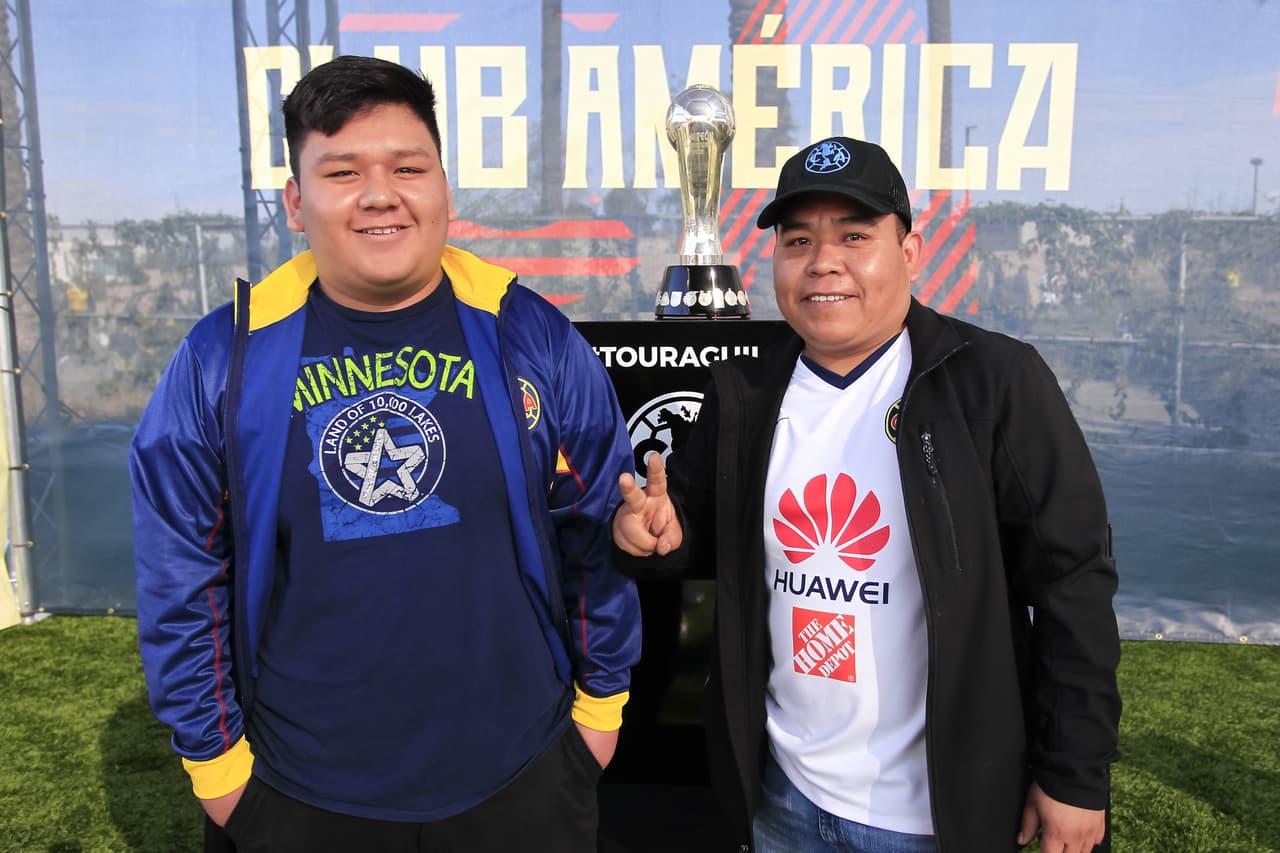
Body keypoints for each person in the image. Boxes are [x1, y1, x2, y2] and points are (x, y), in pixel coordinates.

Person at [130, 55, 641, 853]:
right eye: (343, 171)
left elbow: (596, 530)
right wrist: (220, 773)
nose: (380, 194)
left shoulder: (526, 333)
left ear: (444, 186)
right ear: (296, 202)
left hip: (525, 774)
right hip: (300, 791)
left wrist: (597, 718)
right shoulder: (223, 359)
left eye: (409, 166)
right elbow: (181, 579)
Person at [613, 136, 1121, 853]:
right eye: (799, 240)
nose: (824, 261)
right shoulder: (744, 392)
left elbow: (1074, 580)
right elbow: (696, 531)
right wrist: (660, 535)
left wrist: (1075, 773)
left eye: (854, 235)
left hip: (936, 816)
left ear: (909, 253)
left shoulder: (993, 383)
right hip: (784, 799)